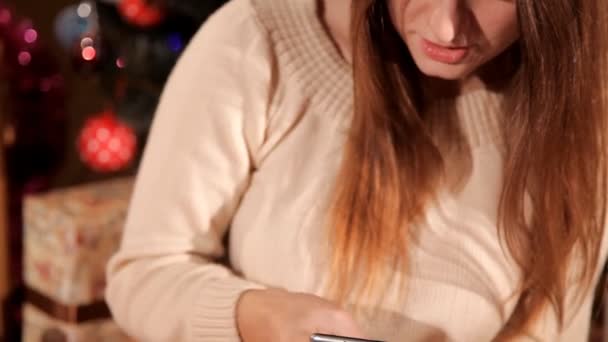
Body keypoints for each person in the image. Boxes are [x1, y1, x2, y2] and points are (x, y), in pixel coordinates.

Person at [105, 0, 608, 340]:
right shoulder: (258, 39)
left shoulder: (582, 104)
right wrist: (254, 315)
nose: (447, 28)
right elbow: (143, 275)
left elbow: (556, 325)